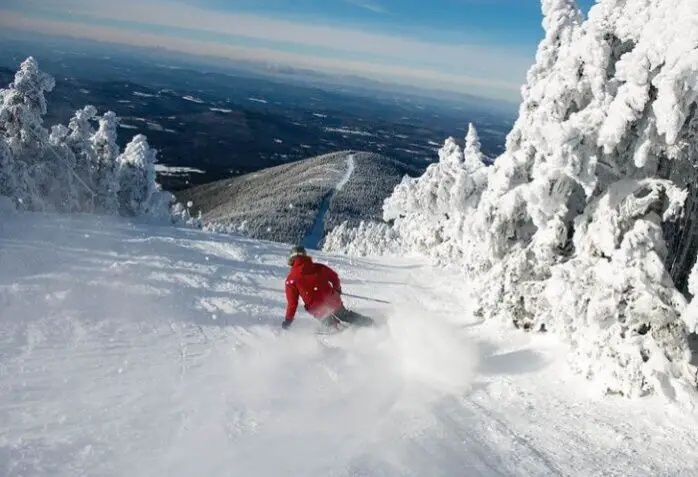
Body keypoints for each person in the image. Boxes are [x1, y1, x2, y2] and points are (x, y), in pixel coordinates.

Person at [282, 246, 374, 330]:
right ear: (305, 256)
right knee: (345, 315)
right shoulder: (319, 267)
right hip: (332, 300)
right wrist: (337, 288)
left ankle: (339, 330)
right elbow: (334, 277)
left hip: (316, 308)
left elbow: (292, 303)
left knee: (331, 324)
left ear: (291, 260)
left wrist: (288, 320)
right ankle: (369, 324)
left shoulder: (291, 280)